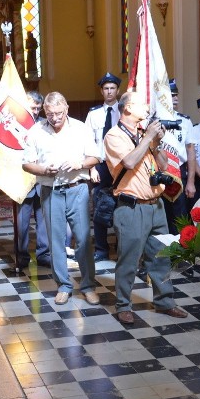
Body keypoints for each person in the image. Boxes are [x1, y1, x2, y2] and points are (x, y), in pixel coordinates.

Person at [104, 90, 189, 325]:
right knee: (129, 260)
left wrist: (156, 142)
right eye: (141, 103)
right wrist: (147, 138)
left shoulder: (145, 135)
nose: (146, 106)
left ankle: (165, 302)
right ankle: (123, 305)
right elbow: (129, 162)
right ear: (128, 108)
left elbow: (163, 165)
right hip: (132, 208)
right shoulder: (114, 136)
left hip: (156, 206)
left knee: (161, 257)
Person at [22, 91, 101, 306]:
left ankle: (88, 286)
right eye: (49, 114)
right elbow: (26, 163)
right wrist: (43, 168)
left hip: (77, 189)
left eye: (58, 113)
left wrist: (80, 164)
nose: (54, 118)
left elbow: (96, 156)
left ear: (66, 108)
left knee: (83, 238)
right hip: (50, 191)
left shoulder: (80, 128)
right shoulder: (36, 131)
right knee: (55, 241)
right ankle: (64, 286)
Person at [85, 72, 122, 261]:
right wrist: (91, 168)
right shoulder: (94, 114)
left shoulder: (125, 112)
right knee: (100, 207)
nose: (109, 91)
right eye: (106, 88)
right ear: (101, 91)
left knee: (122, 206)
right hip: (100, 165)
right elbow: (88, 142)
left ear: (118, 90)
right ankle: (101, 248)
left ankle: (122, 245)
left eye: (112, 88)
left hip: (122, 166)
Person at [15, 91, 51, 270]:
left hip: (42, 179)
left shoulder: (45, 125)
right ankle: (22, 255)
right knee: (22, 222)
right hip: (22, 180)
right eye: (32, 108)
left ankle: (43, 254)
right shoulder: (14, 126)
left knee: (42, 219)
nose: (36, 111)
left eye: (38, 108)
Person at [161, 78, 194, 234]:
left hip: (179, 172)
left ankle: (180, 253)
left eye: (176, 95)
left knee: (179, 216)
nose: (176, 99)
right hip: (159, 171)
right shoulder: (153, 120)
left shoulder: (185, 121)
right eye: (171, 95)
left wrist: (191, 182)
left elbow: (190, 151)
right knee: (161, 216)